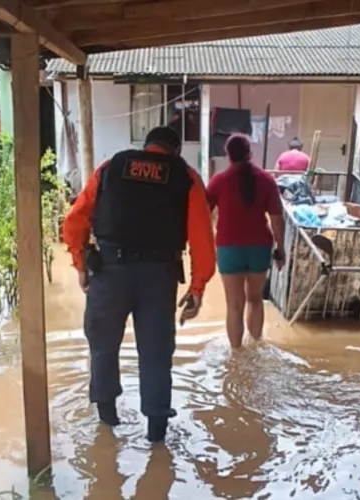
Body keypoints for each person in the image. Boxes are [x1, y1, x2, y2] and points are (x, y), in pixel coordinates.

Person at [62, 126, 216, 443]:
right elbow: (203, 240)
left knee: (103, 346)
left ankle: (107, 424)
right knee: (156, 354)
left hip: (109, 272)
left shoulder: (111, 167)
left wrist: (80, 263)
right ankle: (156, 434)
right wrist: (197, 288)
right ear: (176, 151)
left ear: (145, 147)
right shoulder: (185, 176)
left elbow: (74, 220)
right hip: (158, 279)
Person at [207, 134, 286, 348]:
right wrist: (281, 248)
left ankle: (236, 356)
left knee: (234, 305)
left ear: (228, 155)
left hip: (228, 246)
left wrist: (206, 243)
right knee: (255, 298)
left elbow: (204, 213)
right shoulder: (266, 180)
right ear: (250, 153)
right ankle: (256, 347)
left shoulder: (219, 181)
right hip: (259, 247)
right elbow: (277, 218)